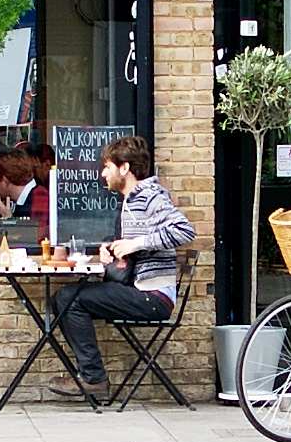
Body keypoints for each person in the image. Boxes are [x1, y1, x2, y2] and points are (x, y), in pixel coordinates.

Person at [48, 136, 196, 399]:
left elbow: (184, 230)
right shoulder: (131, 200)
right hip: (139, 289)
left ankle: (94, 379)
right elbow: (134, 245)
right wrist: (112, 248)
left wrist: (134, 244)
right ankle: (91, 377)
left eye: (107, 166)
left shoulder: (150, 196)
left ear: (124, 168)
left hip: (153, 296)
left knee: (69, 299)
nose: (103, 173)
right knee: (64, 298)